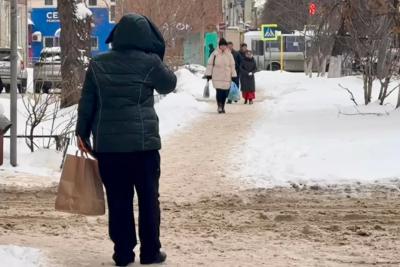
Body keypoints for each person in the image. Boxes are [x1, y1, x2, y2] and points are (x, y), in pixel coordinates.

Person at [76, 13, 177, 266]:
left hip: (109, 147)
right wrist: (158, 56)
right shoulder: (150, 63)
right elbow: (169, 84)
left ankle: (123, 253)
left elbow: (87, 102)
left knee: (118, 200)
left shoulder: (98, 64)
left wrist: (82, 133)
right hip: (144, 147)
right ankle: (150, 252)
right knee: (148, 199)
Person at [205, 38, 237, 114]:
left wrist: (233, 75)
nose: (223, 47)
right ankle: (219, 106)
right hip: (217, 76)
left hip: (226, 76)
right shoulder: (214, 54)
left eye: (224, 45)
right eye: (221, 45)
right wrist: (209, 74)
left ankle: (223, 106)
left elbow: (232, 65)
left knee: (225, 92)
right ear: (219, 46)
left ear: (226, 46)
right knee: (219, 91)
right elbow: (210, 65)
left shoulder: (229, 54)